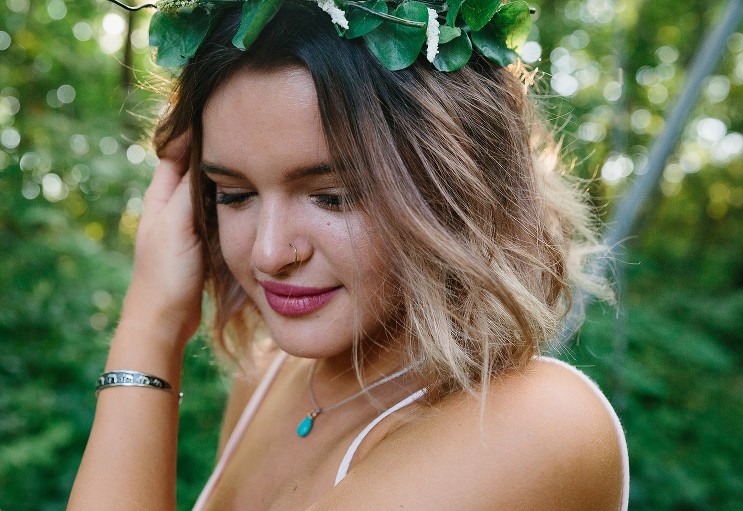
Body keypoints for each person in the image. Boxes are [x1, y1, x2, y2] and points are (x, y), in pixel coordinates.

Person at [68, 2, 628, 509]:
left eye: (331, 197)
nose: (269, 253)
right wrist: (154, 317)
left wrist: (148, 328)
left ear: (454, 187)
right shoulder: (267, 378)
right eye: (234, 195)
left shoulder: (534, 424)